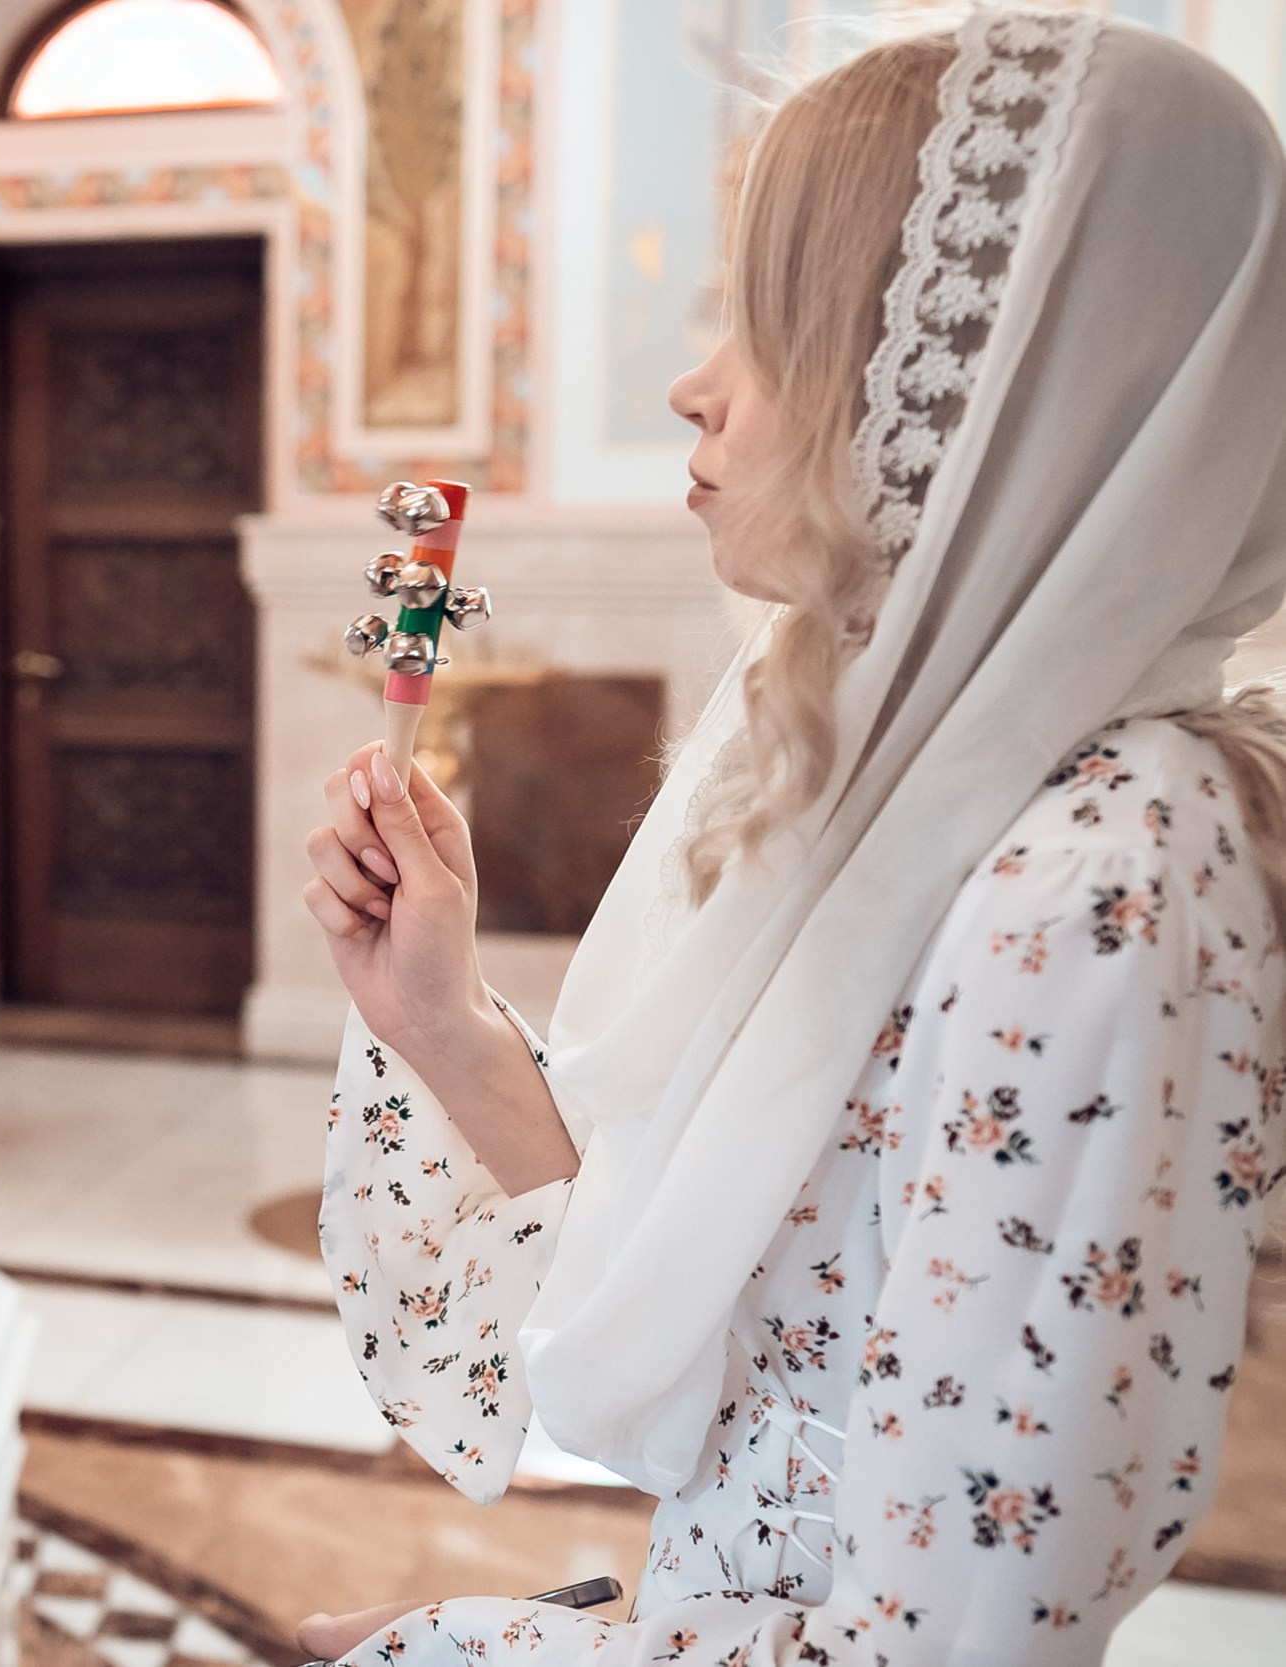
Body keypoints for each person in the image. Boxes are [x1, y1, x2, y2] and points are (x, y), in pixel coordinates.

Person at [302, 12, 1286, 1663]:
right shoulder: (925, 778)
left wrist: (442, 1646)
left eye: (769, 327)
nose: (693, 385)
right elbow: (765, 1336)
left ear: (975, 390)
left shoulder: (1098, 877)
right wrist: (443, 1019)